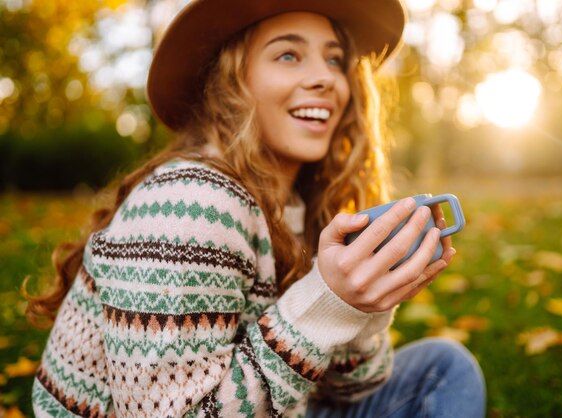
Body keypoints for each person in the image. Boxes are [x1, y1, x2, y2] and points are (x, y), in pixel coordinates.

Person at [26, 0, 486, 416]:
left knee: (441, 368)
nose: (326, 77)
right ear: (230, 82)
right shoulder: (189, 203)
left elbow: (351, 390)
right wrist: (323, 303)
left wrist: (363, 305)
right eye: (288, 54)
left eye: (334, 59)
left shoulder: (301, 206)